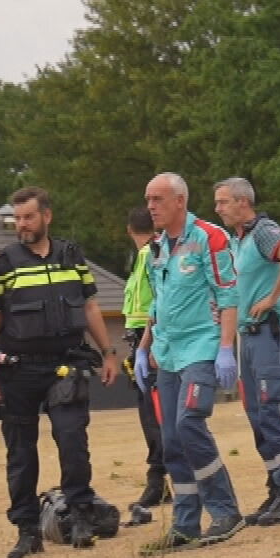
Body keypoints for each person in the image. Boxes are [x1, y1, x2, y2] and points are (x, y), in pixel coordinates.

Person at [0, 186, 120, 558]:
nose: (22, 224)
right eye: (17, 218)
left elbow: (89, 307)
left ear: (47, 216)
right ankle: (27, 531)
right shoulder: (2, 262)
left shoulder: (72, 256)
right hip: (17, 371)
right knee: (21, 455)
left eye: (29, 217)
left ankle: (81, 517)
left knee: (73, 443)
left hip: (66, 365)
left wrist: (109, 353)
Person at [135, 172, 244, 552]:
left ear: (180, 200)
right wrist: (143, 347)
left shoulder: (209, 238)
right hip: (167, 353)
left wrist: (227, 348)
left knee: (189, 422)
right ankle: (185, 525)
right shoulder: (156, 248)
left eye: (158, 199)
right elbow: (158, 302)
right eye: (148, 199)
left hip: (202, 346)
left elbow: (228, 295)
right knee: (170, 440)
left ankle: (226, 511)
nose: (150, 206)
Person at [211, 176, 280, 527]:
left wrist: (271, 299)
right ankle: (277, 486)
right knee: (256, 412)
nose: (218, 208)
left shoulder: (263, 231)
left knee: (272, 408)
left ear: (242, 202)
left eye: (223, 202)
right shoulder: (237, 242)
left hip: (271, 330)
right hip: (249, 335)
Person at [122, 205, 169, 510]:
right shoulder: (147, 255)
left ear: (129, 230)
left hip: (150, 340)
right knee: (150, 415)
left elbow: (157, 301)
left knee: (155, 417)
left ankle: (159, 480)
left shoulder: (151, 253)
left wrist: (146, 347)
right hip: (143, 340)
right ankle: (159, 480)